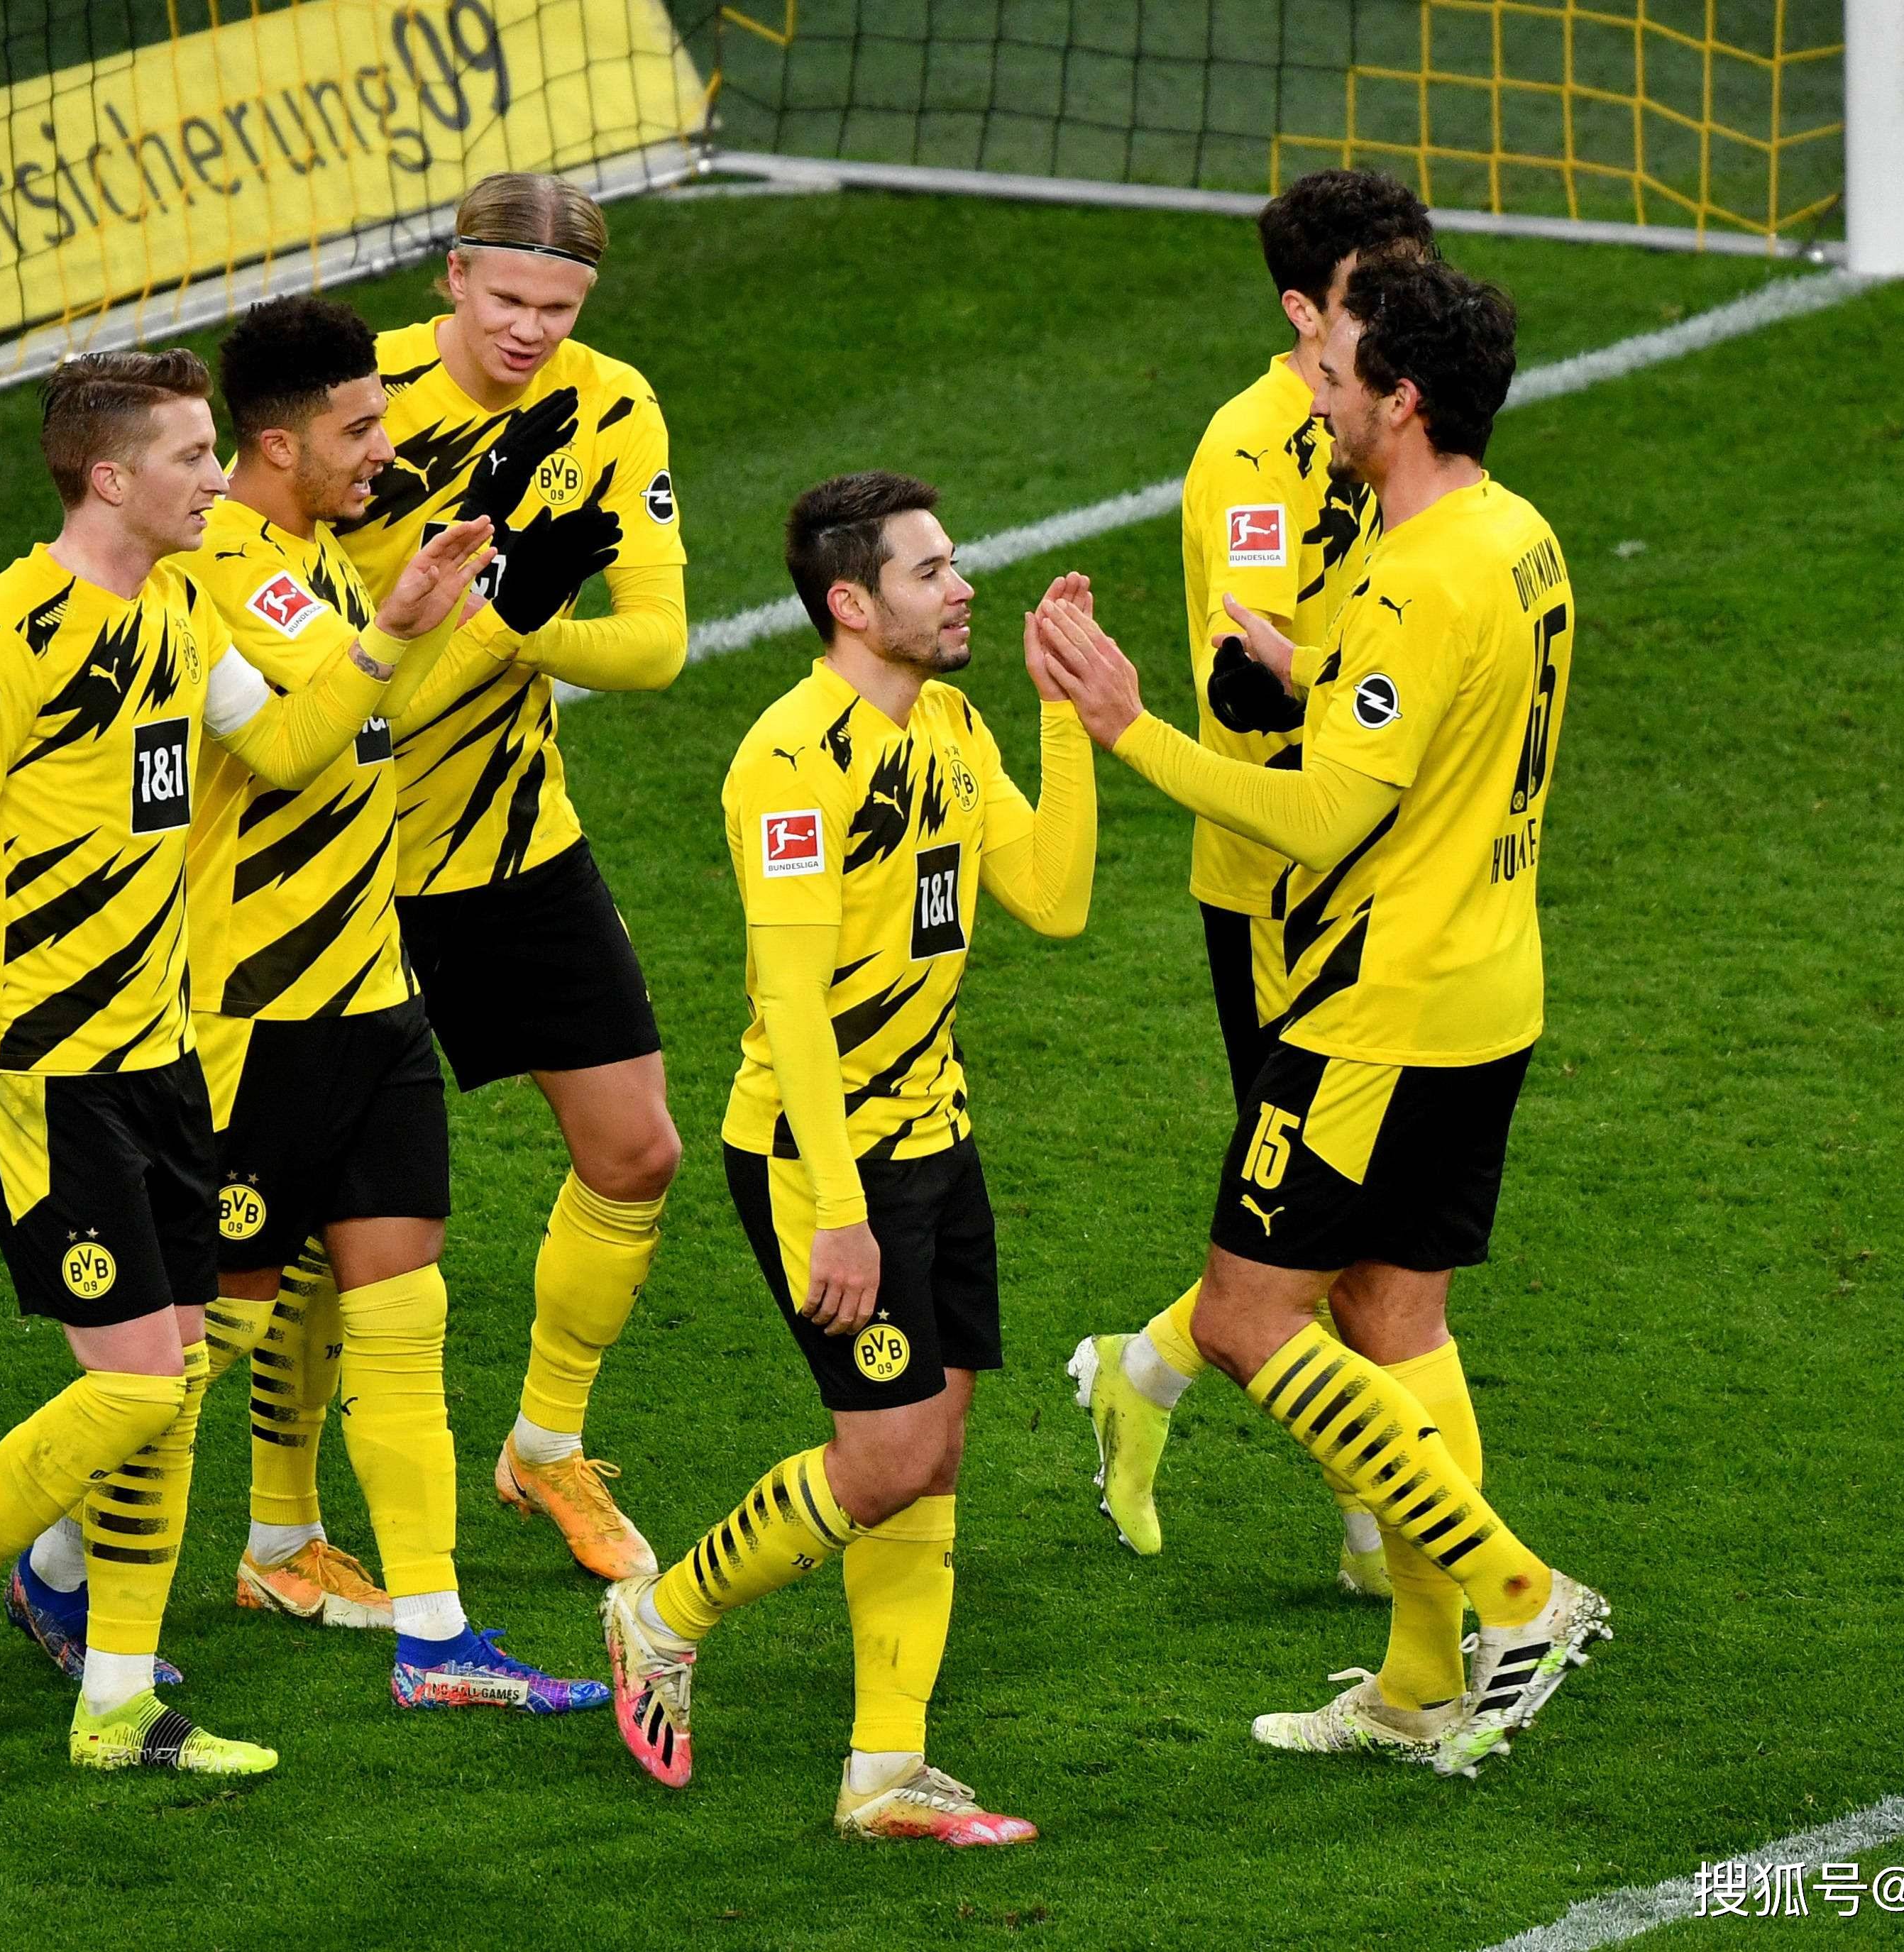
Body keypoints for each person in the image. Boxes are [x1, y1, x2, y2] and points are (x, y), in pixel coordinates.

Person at [0, 347, 491, 1775]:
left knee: (179, 1373)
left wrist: (392, 632)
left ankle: (119, 1704)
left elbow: (294, 747)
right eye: (194, 457)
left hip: (169, 1056)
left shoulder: (183, 613)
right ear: (109, 478)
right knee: (140, 1385)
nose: (219, 478)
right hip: (45, 1064)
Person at [1028, 253, 1606, 1777]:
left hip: (1375, 1005)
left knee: (1242, 1317)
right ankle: (1419, 1689)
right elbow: (1436, 707)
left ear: (1402, 401)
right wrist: (1313, 667)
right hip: (1489, 983)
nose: (1321, 398)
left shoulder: (1417, 576)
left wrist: (1127, 728)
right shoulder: (1517, 537)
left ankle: (1519, 1595)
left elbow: (1326, 814)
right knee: (1398, 1320)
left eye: (1340, 379)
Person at [1, 297, 604, 1712]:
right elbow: (304, 739)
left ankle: (438, 1641)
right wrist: (421, 620)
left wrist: (500, 606)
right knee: (202, 1340)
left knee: (403, 1311)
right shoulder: (221, 563)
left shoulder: (320, 557)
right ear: (277, 446)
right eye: (361, 429)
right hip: (253, 1008)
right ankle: (51, 1560)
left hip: (369, 990)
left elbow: (380, 712)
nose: (386, 448)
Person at [600, 473, 1094, 1843]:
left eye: (955, 560)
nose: (964, 585)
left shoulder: (952, 724)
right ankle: (662, 1613)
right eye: (931, 570)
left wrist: (1064, 717)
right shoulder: (790, 766)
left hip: (938, 1136)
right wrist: (839, 1210)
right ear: (852, 604)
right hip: (820, 1158)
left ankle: (885, 1771)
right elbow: (794, 1005)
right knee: (881, 1462)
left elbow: (1054, 898)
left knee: (933, 1453)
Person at [1069, 169, 1436, 1595]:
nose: (1405, 304)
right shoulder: (1255, 447)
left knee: (1358, 1215)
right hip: (1286, 878)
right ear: (1303, 311)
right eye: (1371, 290)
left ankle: (1148, 1371)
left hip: (1388, 858)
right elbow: (1244, 668)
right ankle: (1378, 1530)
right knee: (1340, 1221)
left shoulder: (1399, 408)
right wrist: (1363, 706)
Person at [335, 172, 688, 1584]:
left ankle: (546, 1445)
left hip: (514, 838)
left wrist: (523, 622)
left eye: (562, 307)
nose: (536, 330)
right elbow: (294, 638)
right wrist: (491, 616)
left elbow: (656, 642)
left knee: (636, 1149)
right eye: (512, 300)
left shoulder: (610, 405)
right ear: (452, 276)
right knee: (316, 1215)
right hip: (339, 852)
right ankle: (284, 1529)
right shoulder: (357, 404)